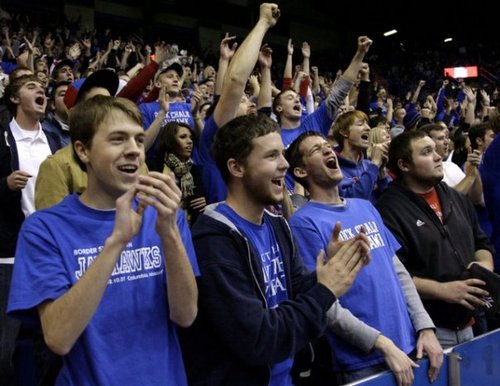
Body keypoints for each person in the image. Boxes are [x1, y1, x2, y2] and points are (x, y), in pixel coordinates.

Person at [8, 95, 199, 385]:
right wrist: (116, 242)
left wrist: (170, 232)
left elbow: (186, 315)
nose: (134, 150)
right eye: (118, 139)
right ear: (83, 151)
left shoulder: (163, 217)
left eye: (138, 139)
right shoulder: (44, 229)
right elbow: (58, 337)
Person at [181, 113, 370, 385]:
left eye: (283, 154)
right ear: (236, 168)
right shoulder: (213, 240)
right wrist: (324, 290)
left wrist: (327, 272)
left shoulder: (277, 224)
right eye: (271, 156)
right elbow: (257, 340)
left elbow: (293, 293)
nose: (284, 165)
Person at [286, 131, 442, 385]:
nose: (328, 151)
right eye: (316, 150)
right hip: (363, 361)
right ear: (301, 172)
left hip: (410, 346)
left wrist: (425, 327)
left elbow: (398, 272)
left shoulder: (365, 206)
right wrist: (381, 343)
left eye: (328, 146)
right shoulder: (303, 223)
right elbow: (323, 303)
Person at [376, 130, 495, 348]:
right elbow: (394, 275)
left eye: (435, 149)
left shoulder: (454, 197)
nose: (438, 156)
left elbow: (482, 243)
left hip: (470, 322)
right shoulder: (388, 210)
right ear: (404, 165)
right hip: (428, 331)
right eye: (427, 152)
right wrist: (442, 290)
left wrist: (483, 265)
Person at [0, 74, 62, 385]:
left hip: (50, 252)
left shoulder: (53, 139)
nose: (41, 90)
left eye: (42, 87)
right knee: (5, 350)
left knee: (50, 343)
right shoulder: (1, 137)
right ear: (14, 99)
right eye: (30, 86)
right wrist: (4, 185)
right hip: (9, 254)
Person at [148, 121, 206, 227]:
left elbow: (198, 204)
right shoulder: (153, 166)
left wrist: (206, 202)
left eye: (191, 138)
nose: (189, 142)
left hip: (190, 230)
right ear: (170, 140)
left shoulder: (195, 170)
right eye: (183, 137)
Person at [332, 110, 391, 202]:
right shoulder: (333, 169)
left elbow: (391, 199)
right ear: (344, 132)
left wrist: (382, 174)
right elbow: (354, 200)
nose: (368, 128)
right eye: (360, 124)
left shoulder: (368, 165)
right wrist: (375, 164)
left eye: (367, 124)